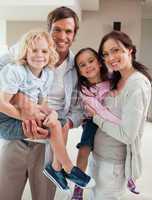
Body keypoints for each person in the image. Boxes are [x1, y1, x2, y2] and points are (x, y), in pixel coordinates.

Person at [0, 6, 83, 200]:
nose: (62, 36)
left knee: (44, 196)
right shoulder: (27, 49)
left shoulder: (77, 65)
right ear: (49, 29)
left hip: (49, 139)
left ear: (74, 34)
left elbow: (79, 108)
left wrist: (64, 124)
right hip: (16, 132)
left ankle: (66, 167)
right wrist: (21, 101)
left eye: (68, 31)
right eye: (57, 29)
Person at [84, 31, 151, 200]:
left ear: (129, 50)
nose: (110, 57)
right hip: (98, 157)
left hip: (112, 165)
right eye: (105, 54)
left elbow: (128, 135)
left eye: (115, 50)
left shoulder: (137, 85)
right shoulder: (116, 78)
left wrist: (96, 117)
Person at [71, 47, 122, 200]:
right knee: (84, 148)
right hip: (92, 120)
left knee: (125, 142)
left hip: (111, 116)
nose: (88, 66)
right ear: (79, 71)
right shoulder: (84, 89)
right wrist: (118, 123)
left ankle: (129, 175)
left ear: (100, 62)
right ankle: (78, 187)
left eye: (91, 61)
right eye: (82, 65)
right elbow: (98, 110)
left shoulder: (112, 79)